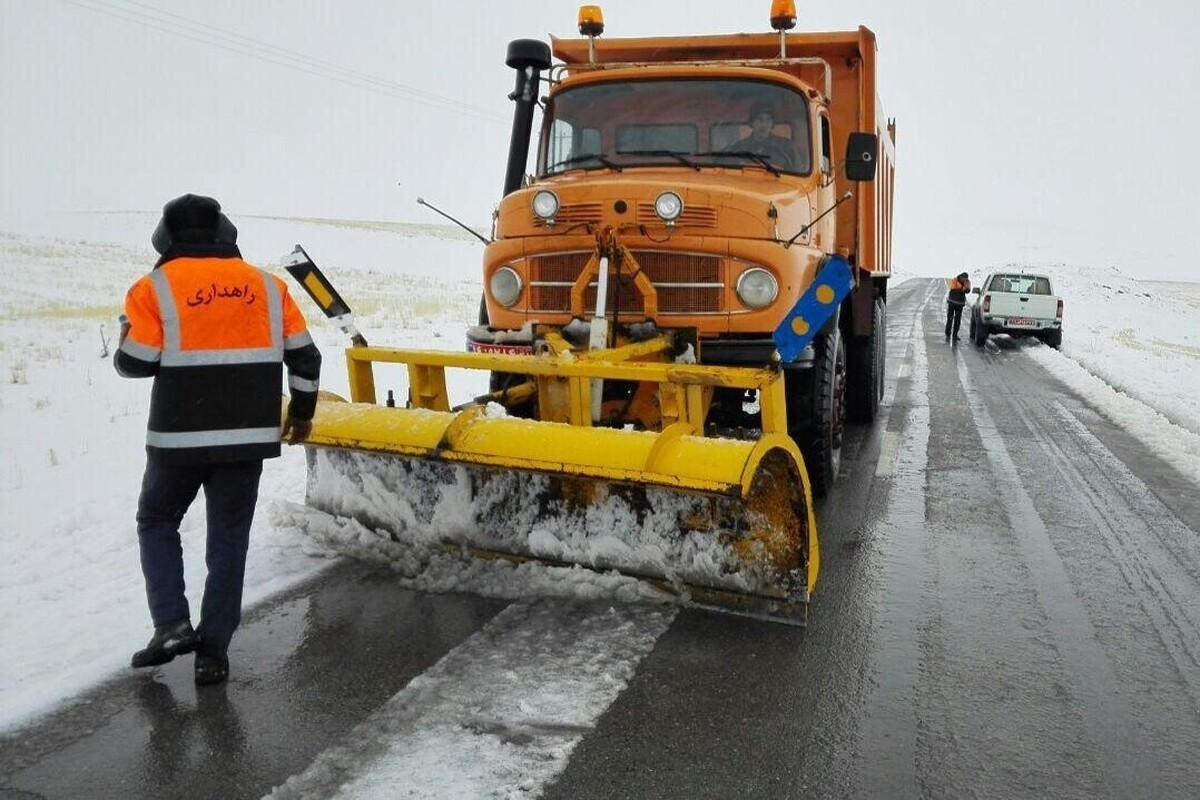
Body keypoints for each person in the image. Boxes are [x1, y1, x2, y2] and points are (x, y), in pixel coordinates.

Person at [114, 193, 322, 686]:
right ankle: (213, 653)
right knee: (228, 539)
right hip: (247, 440)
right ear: (225, 232)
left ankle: (170, 625)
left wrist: (125, 335)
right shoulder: (268, 287)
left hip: (176, 442)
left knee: (157, 519)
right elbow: (307, 359)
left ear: (165, 237)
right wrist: (304, 414)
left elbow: (135, 363)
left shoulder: (153, 288)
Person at [725, 101, 796, 170]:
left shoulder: (785, 146)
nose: (764, 124)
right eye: (759, 119)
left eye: (768, 119)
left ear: (772, 123)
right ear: (752, 122)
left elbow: (796, 170)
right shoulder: (739, 147)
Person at [946, 271, 971, 341]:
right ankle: (948, 333)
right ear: (961, 276)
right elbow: (952, 288)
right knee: (950, 318)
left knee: (957, 320)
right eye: (964, 278)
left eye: (966, 278)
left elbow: (968, 290)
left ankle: (955, 334)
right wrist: (961, 289)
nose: (964, 279)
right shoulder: (954, 280)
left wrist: (965, 289)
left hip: (959, 304)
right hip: (952, 302)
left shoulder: (967, 282)